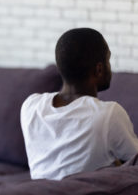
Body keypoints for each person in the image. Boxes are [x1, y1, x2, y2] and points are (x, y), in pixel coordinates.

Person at [21, 28, 138, 180]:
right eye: (108, 59)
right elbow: (134, 161)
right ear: (99, 69)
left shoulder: (30, 106)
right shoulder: (109, 114)